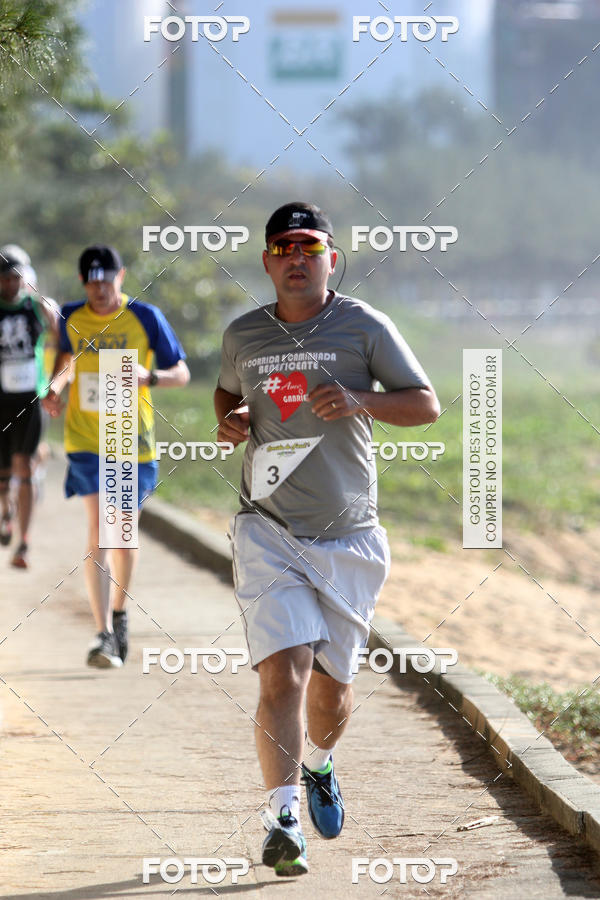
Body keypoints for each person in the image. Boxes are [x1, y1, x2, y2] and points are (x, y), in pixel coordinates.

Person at [215, 202, 440, 877]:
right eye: (283, 246)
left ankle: (318, 765)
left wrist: (362, 401)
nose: (295, 257)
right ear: (266, 260)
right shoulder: (243, 334)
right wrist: (232, 421)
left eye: (309, 246)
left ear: (330, 259)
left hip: (348, 539)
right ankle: (282, 821)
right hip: (268, 529)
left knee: (332, 691)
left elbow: (425, 403)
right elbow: (228, 397)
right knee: (283, 675)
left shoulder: (365, 326)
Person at [43, 245, 190, 668]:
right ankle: (103, 633)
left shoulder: (146, 317)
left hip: (129, 437)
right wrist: (55, 389)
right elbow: (67, 363)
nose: (100, 290)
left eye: (106, 281)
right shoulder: (72, 316)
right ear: (82, 283)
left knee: (121, 532)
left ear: (120, 277)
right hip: (86, 437)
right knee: (99, 530)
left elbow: (181, 372)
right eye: (92, 283)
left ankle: (121, 614)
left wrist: (152, 376)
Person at [0, 248, 59, 568]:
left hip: (29, 401)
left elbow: (61, 340)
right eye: (6, 278)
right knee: (4, 475)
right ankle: (5, 513)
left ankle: (23, 543)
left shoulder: (36, 308)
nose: (12, 283)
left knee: (24, 466)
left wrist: (55, 383)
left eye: (17, 278)